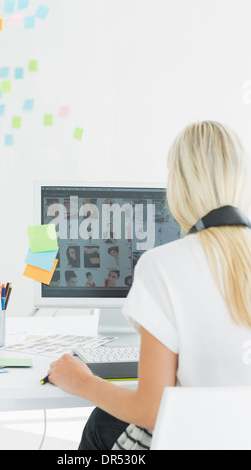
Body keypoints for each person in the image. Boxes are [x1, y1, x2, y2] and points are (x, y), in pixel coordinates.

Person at [45, 121, 251, 450]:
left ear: (179, 184)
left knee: (101, 423)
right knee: (105, 420)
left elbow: (151, 411)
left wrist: (83, 381)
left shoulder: (164, 265)